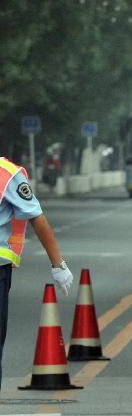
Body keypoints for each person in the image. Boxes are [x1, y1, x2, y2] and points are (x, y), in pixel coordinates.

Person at [0, 157, 73, 391]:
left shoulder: (6, 174)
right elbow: (36, 216)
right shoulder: (6, 173)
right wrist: (58, 264)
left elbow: (35, 217)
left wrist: (57, 263)